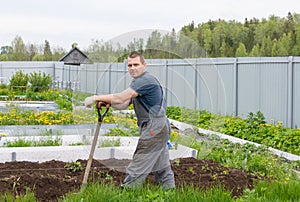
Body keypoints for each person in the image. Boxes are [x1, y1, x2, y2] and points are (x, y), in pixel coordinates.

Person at [84, 51, 175, 189]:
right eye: (129, 65)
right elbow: (123, 103)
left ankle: (128, 192)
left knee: (140, 161)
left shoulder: (146, 80)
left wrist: (96, 97)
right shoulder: (138, 82)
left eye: (136, 64)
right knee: (161, 165)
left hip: (154, 128)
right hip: (159, 127)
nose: (132, 68)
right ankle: (169, 191)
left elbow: (121, 97)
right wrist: (106, 101)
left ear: (144, 65)